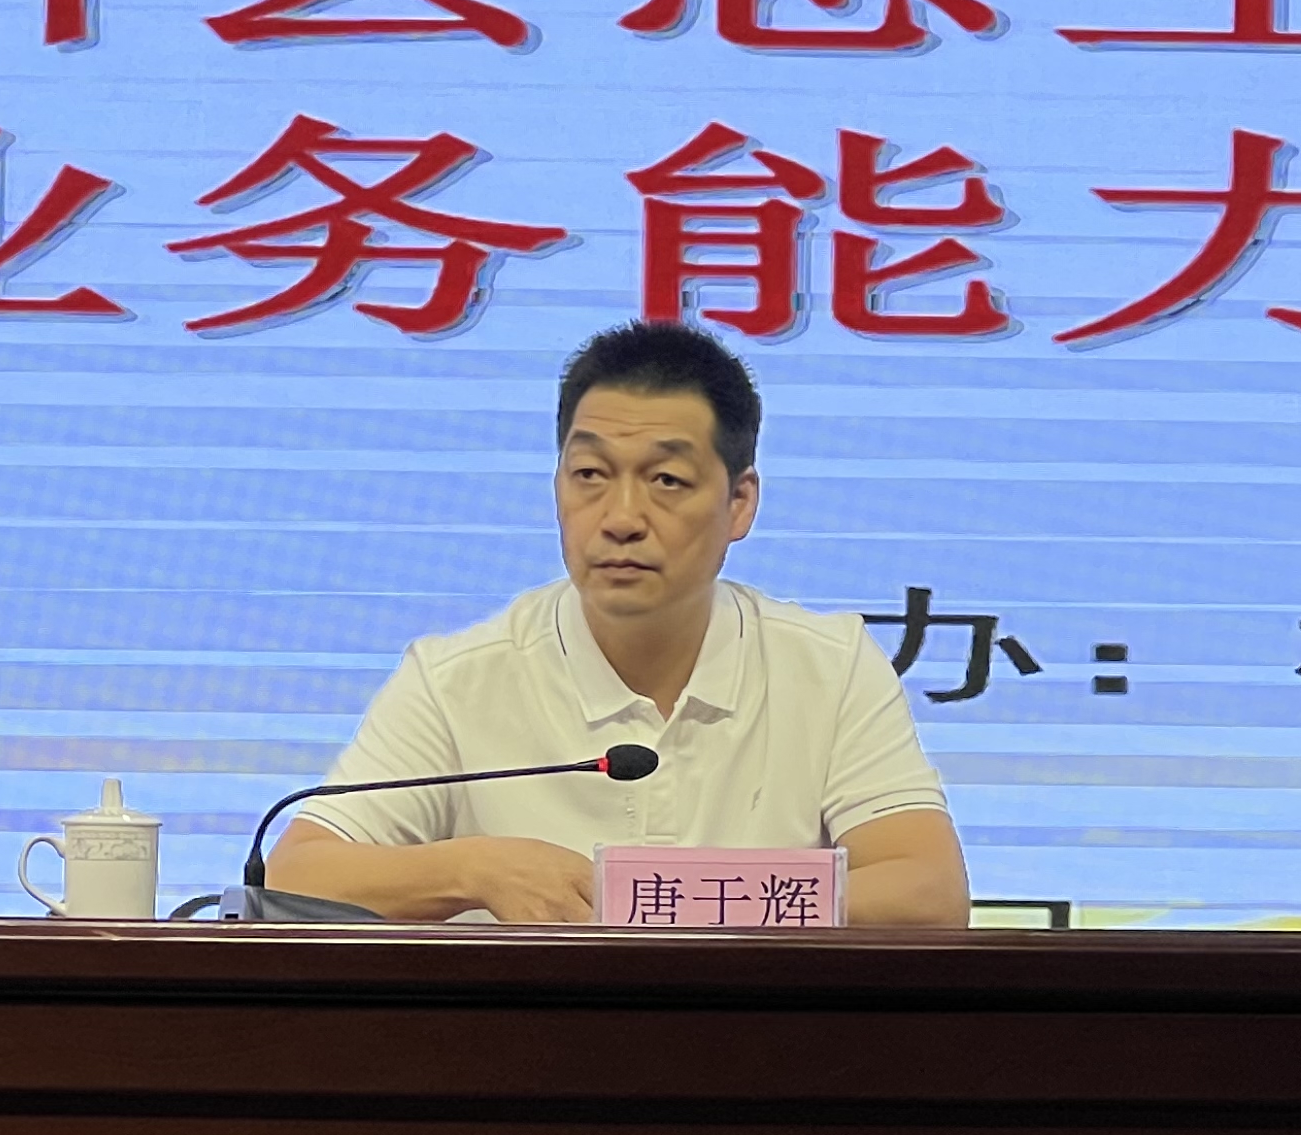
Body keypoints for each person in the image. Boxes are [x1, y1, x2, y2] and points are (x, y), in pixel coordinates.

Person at [266, 319, 970, 925]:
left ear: (739, 503)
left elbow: (928, 891)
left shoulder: (829, 666)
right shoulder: (457, 678)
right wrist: (475, 869)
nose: (622, 519)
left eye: (666, 481)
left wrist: (665, 904)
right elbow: (297, 876)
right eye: (591, 475)